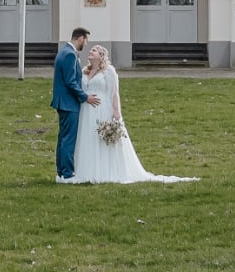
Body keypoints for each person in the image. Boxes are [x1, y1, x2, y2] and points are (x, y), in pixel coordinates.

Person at [71, 44, 197, 184]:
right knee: (87, 138)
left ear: (101, 56)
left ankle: (105, 169)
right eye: (91, 50)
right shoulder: (84, 71)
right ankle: (87, 170)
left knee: (102, 139)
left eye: (94, 50)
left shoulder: (108, 71)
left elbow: (114, 93)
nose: (91, 52)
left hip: (101, 109)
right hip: (86, 110)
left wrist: (116, 112)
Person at [50, 26, 100, 181]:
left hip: (62, 102)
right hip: (68, 103)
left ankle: (61, 171)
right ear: (80, 38)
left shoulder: (64, 51)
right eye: (86, 41)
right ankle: (67, 173)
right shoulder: (70, 55)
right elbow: (71, 82)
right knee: (68, 139)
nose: (86, 45)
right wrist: (85, 97)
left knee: (63, 138)